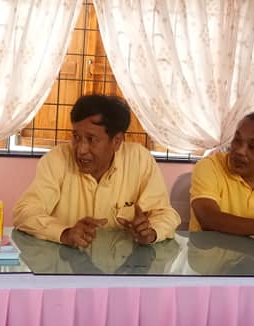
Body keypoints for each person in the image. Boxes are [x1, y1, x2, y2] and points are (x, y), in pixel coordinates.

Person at [13, 94, 180, 247]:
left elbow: (165, 214)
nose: (81, 150)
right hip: (65, 265)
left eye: (91, 139)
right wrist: (64, 233)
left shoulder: (139, 160)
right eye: (76, 137)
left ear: (116, 141)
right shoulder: (57, 159)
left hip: (121, 267)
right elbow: (24, 213)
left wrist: (150, 232)